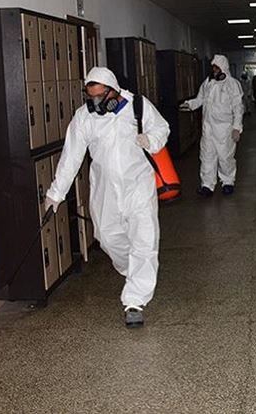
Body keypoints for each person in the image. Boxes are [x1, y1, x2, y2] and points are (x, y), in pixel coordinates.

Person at [44, 67, 170, 329]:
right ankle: (133, 271)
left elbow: (162, 127)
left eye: (101, 96)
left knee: (144, 240)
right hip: (105, 189)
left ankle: (135, 300)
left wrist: (151, 139)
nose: (96, 102)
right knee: (107, 237)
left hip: (138, 186)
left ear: (113, 91)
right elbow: (71, 156)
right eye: (91, 97)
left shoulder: (138, 105)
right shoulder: (84, 117)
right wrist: (56, 192)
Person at [180, 54, 244, 196]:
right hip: (208, 127)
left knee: (225, 157)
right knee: (206, 157)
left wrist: (236, 128)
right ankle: (207, 185)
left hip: (224, 129)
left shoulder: (232, 84)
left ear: (223, 68)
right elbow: (200, 99)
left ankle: (228, 182)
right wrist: (189, 105)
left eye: (217, 68)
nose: (214, 70)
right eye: (213, 68)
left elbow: (238, 107)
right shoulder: (208, 82)